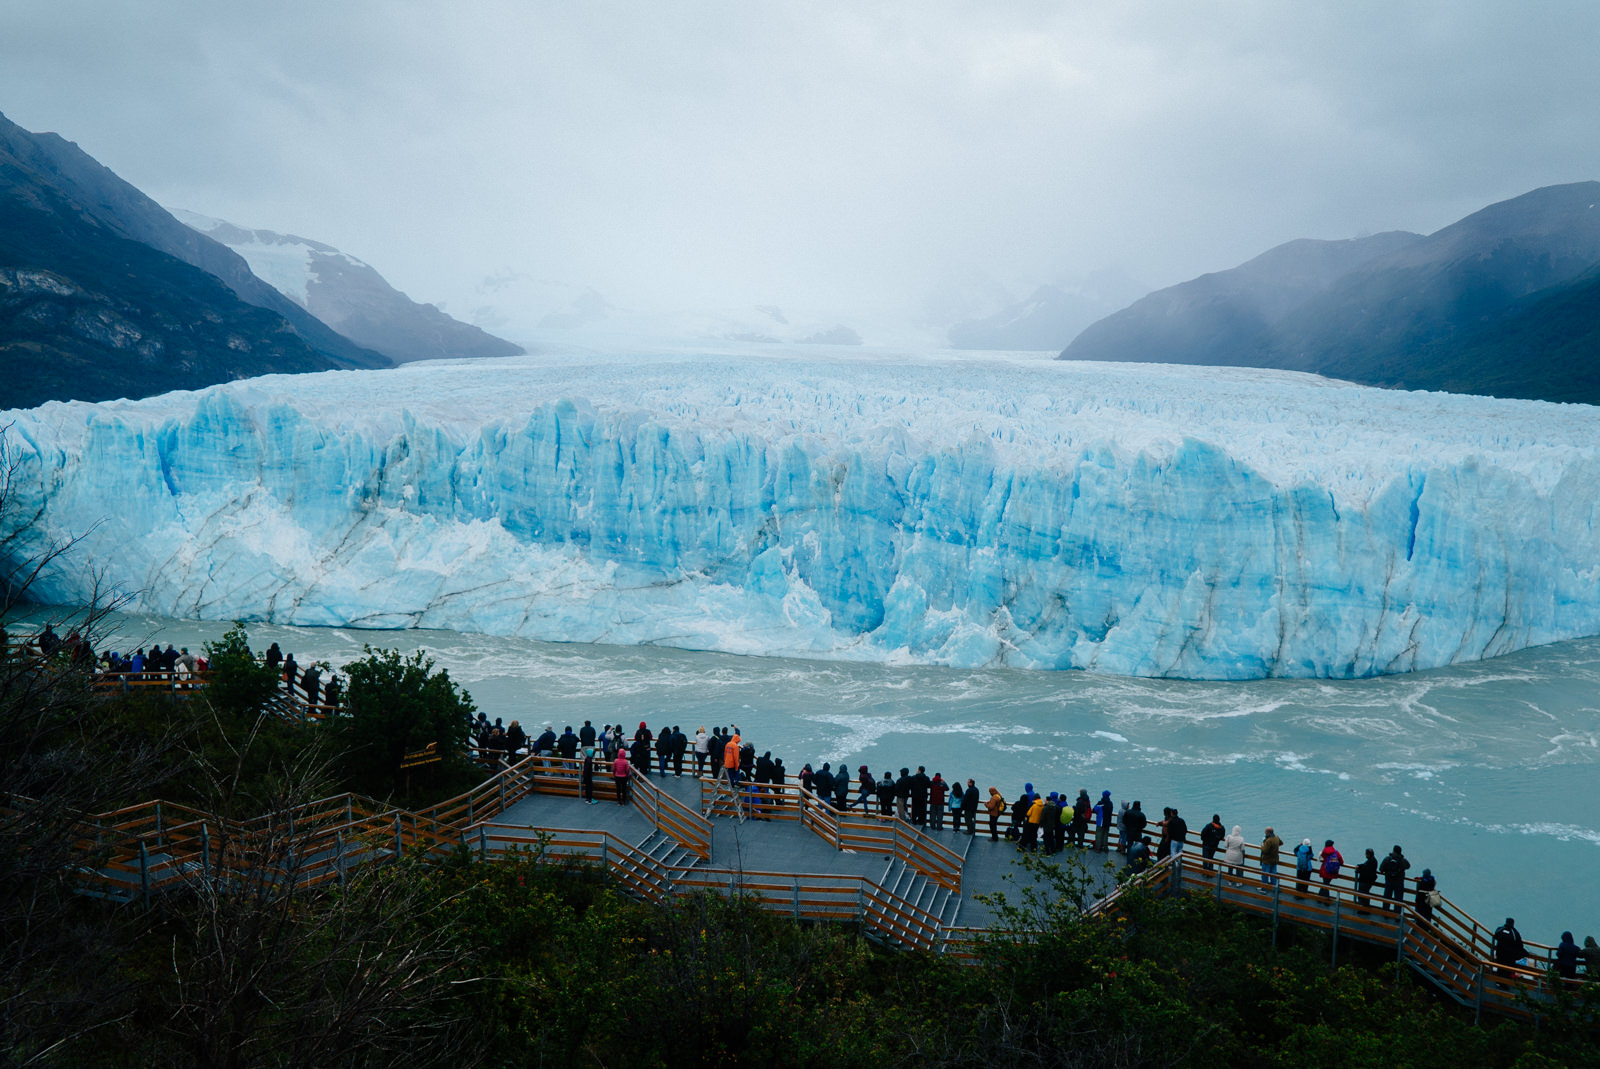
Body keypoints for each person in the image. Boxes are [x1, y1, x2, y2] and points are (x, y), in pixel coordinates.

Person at [1379, 845, 1410, 911]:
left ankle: (1385, 913)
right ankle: (1397, 915)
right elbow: (1408, 866)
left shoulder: (1387, 859)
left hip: (1389, 881)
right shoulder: (1402, 861)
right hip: (1399, 883)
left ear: (1393, 850)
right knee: (1398, 899)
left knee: (1387, 898)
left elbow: (1381, 869)